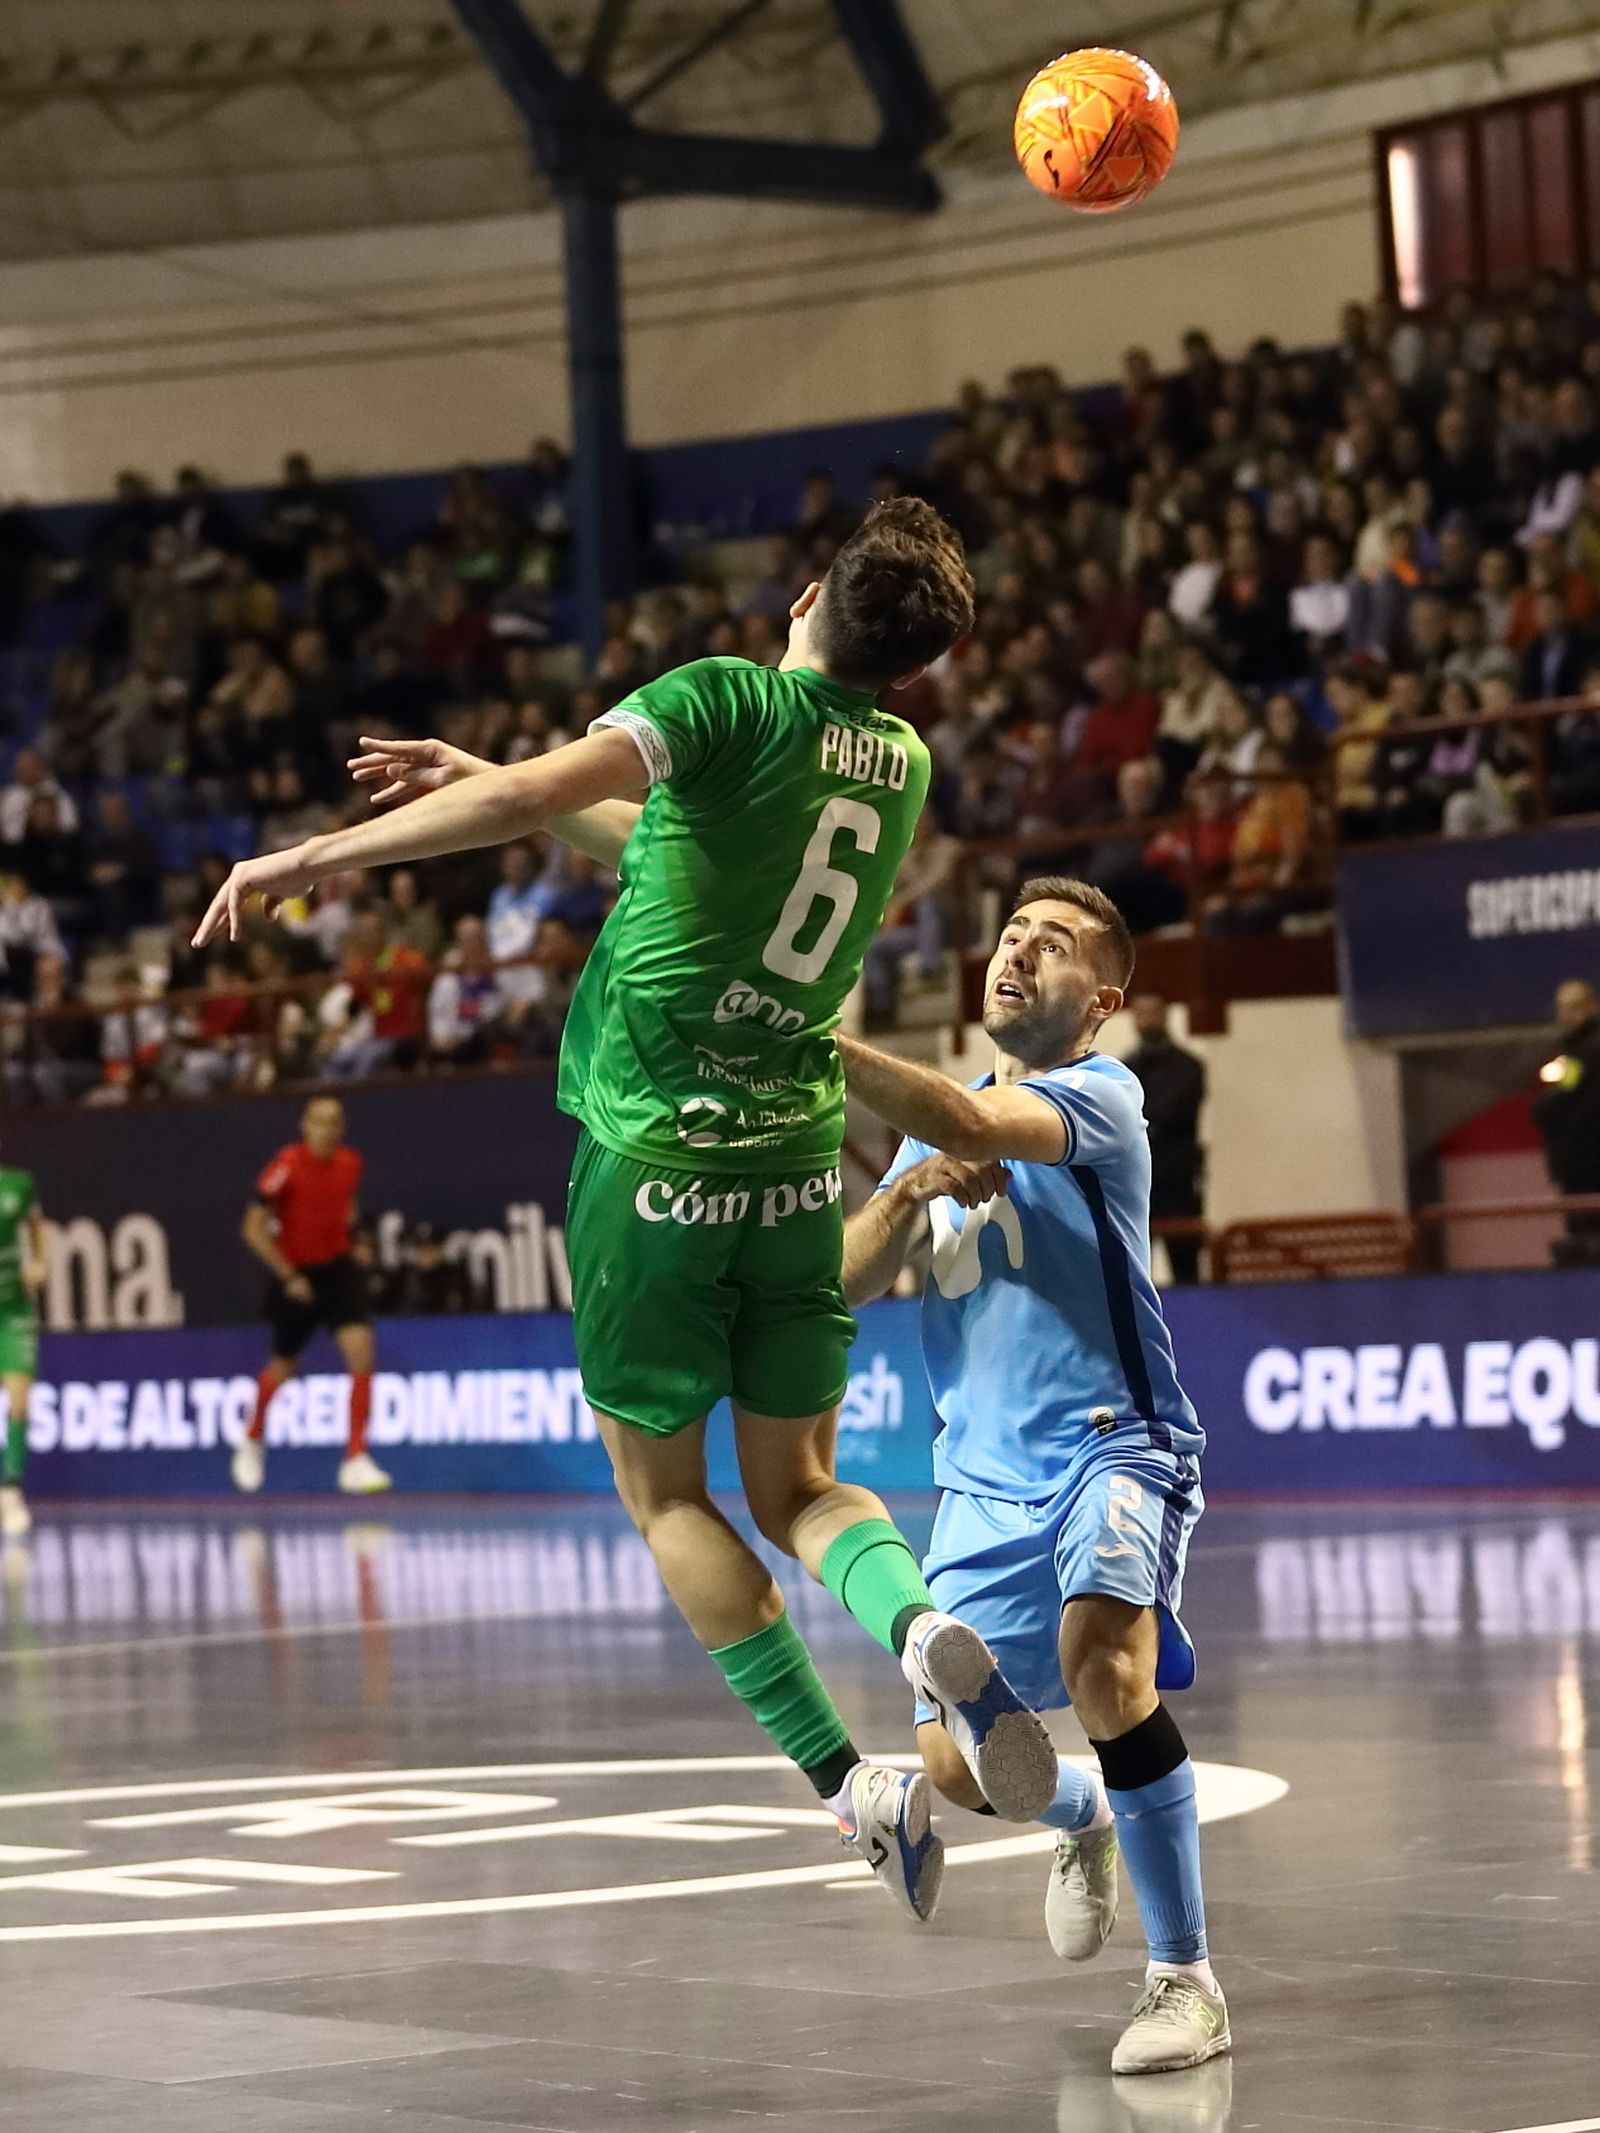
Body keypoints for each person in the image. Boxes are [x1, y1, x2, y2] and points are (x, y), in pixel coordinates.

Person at [197, 499, 1059, 1920]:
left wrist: (301, 864)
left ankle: (855, 1790)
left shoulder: (718, 698)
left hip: (660, 1152)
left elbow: (543, 804)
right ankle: (918, 1623)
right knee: (806, 1489)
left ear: (799, 597)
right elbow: (669, 839)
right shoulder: (897, 757)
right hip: (796, 1146)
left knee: (665, 1493)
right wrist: (504, 769)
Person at [835, 879, 1225, 2078]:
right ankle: (1082, 1815)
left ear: (1098, 1002)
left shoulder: (1105, 1097)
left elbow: (979, 1119)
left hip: (1116, 1444)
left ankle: (1186, 1980)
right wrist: (905, 1187)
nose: (1016, 954)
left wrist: (799, 1033)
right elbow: (840, 1287)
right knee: (956, 1769)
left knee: (1100, 1667)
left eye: (1048, 947)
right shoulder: (932, 1131)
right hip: (980, 1486)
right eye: (1008, 937)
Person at [232, 1095, 392, 1496]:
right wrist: (288, 1275)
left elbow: (345, 1207)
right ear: (305, 1125)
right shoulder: (285, 1166)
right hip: (297, 1275)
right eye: (320, 1121)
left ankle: (355, 1457)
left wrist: (352, 1243)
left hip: (338, 1269)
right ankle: (252, 1438)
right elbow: (252, 1228)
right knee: (283, 1367)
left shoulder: (351, 1164)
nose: (328, 1129)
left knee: (361, 1352)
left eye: (335, 1122)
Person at [1125, 996, 1207, 1285]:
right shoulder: (1125, 1069)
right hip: (1137, 1184)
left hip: (1178, 1183)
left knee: (1186, 1269)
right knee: (1133, 1272)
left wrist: (1143, 1121)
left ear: (1165, 1016)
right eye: (1140, 1014)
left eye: (1152, 1013)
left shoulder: (1188, 1067)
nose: (1147, 1020)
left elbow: (1173, 1112)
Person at [1532, 978, 1600, 1268]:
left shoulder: (1580, 1056)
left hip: (1585, 1171)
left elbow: (1563, 1100)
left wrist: (1540, 1107)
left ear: (1591, 1007)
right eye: (1563, 1009)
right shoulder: (1578, 1056)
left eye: (1573, 1008)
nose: (1566, 1016)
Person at [0, 1156, 46, 1539]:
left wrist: (40, 1261)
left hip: (13, 1309)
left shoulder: (18, 1183)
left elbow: (35, 1225)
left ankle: (11, 1490)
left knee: (19, 1398)